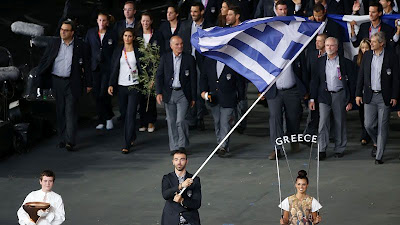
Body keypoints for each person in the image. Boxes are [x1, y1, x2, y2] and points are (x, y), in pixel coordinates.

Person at [36, 20, 92, 152]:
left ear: (72, 33)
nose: (63, 32)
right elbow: (45, 60)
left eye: (66, 30)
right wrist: (40, 75)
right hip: (57, 81)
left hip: (72, 82)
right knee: (60, 111)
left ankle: (70, 141)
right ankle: (62, 138)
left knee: (70, 111)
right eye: (62, 29)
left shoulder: (80, 46)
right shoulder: (54, 43)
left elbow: (87, 66)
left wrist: (89, 83)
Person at [263, 0, 307, 160]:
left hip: (291, 87)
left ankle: (293, 137)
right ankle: (277, 148)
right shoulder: (269, 32)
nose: (282, 12)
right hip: (274, 89)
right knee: (274, 118)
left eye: (284, 9)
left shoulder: (292, 33)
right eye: (280, 9)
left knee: (293, 116)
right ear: (275, 10)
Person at [356, 32, 399, 164]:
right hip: (369, 96)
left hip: (384, 97)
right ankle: (376, 142)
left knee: (382, 127)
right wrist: (358, 94)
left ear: (382, 43)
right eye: (371, 41)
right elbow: (361, 76)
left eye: (374, 41)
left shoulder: (391, 56)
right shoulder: (367, 55)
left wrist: (394, 96)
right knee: (368, 125)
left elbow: (396, 78)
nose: (371, 43)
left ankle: (379, 156)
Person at [309, 37, 354, 160]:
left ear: (337, 47)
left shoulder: (345, 63)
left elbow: (351, 82)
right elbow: (315, 81)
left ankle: (339, 148)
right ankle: (322, 149)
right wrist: (312, 99)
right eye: (327, 45)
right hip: (324, 95)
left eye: (331, 45)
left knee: (339, 122)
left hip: (339, 94)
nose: (329, 47)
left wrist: (350, 100)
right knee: (323, 122)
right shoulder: (320, 62)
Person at [156, 36, 197, 154]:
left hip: (183, 94)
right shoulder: (165, 58)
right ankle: (174, 147)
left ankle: (182, 145)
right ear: (171, 46)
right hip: (169, 93)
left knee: (181, 120)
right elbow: (159, 75)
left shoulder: (189, 59)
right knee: (171, 120)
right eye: (177, 44)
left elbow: (193, 79)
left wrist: (193, 97)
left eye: (181, 44)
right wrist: (158, 92)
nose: (180, 46)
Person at [200, 57, 245, 157]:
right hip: (213, 98)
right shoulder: (209, 60)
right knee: (217, 121)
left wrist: (240, 97)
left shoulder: (232, 61)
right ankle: (220, 143)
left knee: (225, 122)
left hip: (229, 98)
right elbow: (204, 77)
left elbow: (239, 80)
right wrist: (203, 91)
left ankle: (222, 146)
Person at [108, 28, 142, 154]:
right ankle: (131, 135)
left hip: (134, 85)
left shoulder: (138, 51)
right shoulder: (118, 51)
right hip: (121, 85)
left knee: (131, 114)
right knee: (123, 113)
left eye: (129, 36)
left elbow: (142, 66)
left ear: (133, 37)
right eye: (125, 36)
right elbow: (113, 68)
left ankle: (126, 143)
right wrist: (111, 84)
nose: (127, 38)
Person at [179, 2, 211, 131]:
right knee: (189, 89)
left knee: (199, 90)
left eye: (195, 12)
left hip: (202, 62)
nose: (192, 14)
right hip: (187, 61)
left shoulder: (209, 26)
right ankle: (192, 117)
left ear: (202, 12)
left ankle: (199, 117)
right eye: (191, 11)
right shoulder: (185, 25)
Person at [85, 12, 117, 130]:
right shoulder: (91, 33)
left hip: (107, 68)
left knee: (104, 93)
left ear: (107, 22)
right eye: (100, 20)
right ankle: (101, 119)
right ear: (97, 21)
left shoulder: (112, 34)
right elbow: (87, 50)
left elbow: (114, 52)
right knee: (96, 94)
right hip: (95, 68)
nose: (102, 23)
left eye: (104, 20)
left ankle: (108, 117)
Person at [161, 149, 201, 225]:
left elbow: (197, 204)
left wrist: (182, 201)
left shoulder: (194, 179)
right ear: (173, 162)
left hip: (189, 221)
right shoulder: (167, 178)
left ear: (186, 161)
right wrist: (181, 185)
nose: (179, 162)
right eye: (176, 159)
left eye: (182, 159)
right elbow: (165, 195)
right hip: (171, 220)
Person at [226, 6, 249, 134]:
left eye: (230, 14)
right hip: (229, 66)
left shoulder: (244, 29)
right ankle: (233, 120)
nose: (227, 17)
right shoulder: (226, 31)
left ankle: (241, 122)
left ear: (237, 16)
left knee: (242, 95)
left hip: (242, 67)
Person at [136, 11, 159, 133]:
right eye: (143, 20)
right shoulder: (137, 35)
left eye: (147, 20)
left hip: (152, 70)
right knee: (141, 97)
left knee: (151, 97)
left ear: (151, 21)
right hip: (139, 70)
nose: (145, 23)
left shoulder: (156, 34)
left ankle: (151, 121)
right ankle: (142, 121)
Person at [303, 33, 328, 137]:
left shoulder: (332, 55)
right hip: (314, 90)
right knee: (313, 114)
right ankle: (310, 135)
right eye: (316, 41)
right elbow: (308, 74)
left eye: (319, 41)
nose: (316, 43)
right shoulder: (311, 54)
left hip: (328, 90)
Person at [353, 38, 372, 146]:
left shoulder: (373, 58)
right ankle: (365, 132)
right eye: (362, 48)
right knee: (362, 114)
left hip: (371, 90)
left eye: (366, 48)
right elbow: (355, 77)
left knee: (370, 115)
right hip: (361, 91)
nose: (364, 50)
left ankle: (366, 135)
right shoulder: (356, 59)